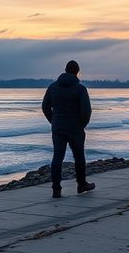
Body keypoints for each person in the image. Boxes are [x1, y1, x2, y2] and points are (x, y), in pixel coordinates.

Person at [41, 60, 95, 198]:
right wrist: (82, 124)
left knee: (57, 157)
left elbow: (45, 107)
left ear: (65, 70)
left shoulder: (53, 87)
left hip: (58, 128)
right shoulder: (80, 89)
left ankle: (56, 189)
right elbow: (86, 111)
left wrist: (53, 121)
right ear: (77, 72)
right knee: (79, 156)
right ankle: (81, 184)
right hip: (75, 128)